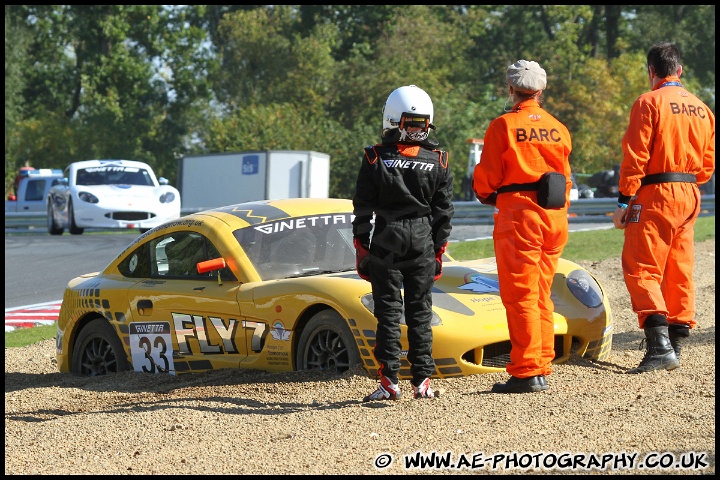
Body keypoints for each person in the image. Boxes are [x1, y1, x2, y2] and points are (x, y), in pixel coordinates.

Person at [613, 42, 715, 374]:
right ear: (680, 70)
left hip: (657, 191)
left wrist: (624, 200)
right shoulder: (702, 108)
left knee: (641, 266)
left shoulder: (648, 102)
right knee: (679, 267)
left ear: (651, 71)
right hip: (690, 191)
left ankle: (659, 347)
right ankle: (676, 341)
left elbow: (636, 156)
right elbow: (708, 164)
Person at [472, 60, 573, 394]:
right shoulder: (559, 128)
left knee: (521, 296)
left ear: (511, 88)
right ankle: (541, 363)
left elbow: (485, 180)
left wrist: (491, 196)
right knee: (542, 293)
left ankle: (528, 372)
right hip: (555, 218)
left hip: (521, 218)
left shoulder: (503, 125)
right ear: (541, 91)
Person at [352, 84, 454, 401]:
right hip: (423, 242)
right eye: (414, 124)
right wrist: (438, 252)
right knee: (420, 315)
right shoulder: (440, 160)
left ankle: (389, 383)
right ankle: (422, 382)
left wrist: (362, 248)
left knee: (388, 316)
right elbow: (444, 214)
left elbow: (362, 210)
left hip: (386, 239)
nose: (415, 130)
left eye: (417, 124)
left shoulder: (373, 158)